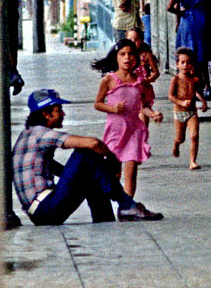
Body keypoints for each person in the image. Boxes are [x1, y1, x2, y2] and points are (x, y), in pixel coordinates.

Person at [12, 88, 162, 224]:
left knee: (89, 169)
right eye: (59, 110)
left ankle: (106, 219)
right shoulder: (41, 133)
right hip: (46, 208)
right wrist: (112, 160)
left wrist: (95, 172)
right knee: (85, 153)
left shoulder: (28, 135)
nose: (63, 114)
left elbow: (56, 169)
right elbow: (92, 143)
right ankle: (126, 205)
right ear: (47, 114)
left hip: (41, 212)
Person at [92, 39, 162, 198]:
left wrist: (153, 114)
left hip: (133, 131)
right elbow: (97, 103)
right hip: (115, 132)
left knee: (131, 171)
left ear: (136, 58)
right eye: (122, 54)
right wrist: (112, 109)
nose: (127, 58)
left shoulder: (140, 81)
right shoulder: (109, 80)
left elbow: (143, 106)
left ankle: (128, 205)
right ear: (116, 57)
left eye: (131, 54)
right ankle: (115, 201)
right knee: (114, 173)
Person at [166, 0, 211, 95]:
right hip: (203, 21)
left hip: (187, 22)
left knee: (187, 55)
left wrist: (180, 12)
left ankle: (190, 87)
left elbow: (169, 7)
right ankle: (207, 87)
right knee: (202, 56)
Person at [168, 47, 208, 170]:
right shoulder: (176, 79)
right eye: (182, 62)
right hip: (179, 112)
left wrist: (203, 102)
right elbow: (170, 96)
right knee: (181, 138)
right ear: (177, 64)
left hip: (192, 112)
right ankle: (176, 143)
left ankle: (192, 161)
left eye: (188, 62)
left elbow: (197, 92)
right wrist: (181, 102)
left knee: (194, 136)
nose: (185, 65)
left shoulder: (194, 79)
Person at [125, 27, 160, 122]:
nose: (133, 42)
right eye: (130, 40)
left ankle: (153, 116)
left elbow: (156, 72)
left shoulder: (146, 55)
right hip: (129, 90)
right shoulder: (124, 56)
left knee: (142, 114)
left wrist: (147, 80)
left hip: (143, 89)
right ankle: (153, 115)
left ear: (141, 41)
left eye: (136, 40)